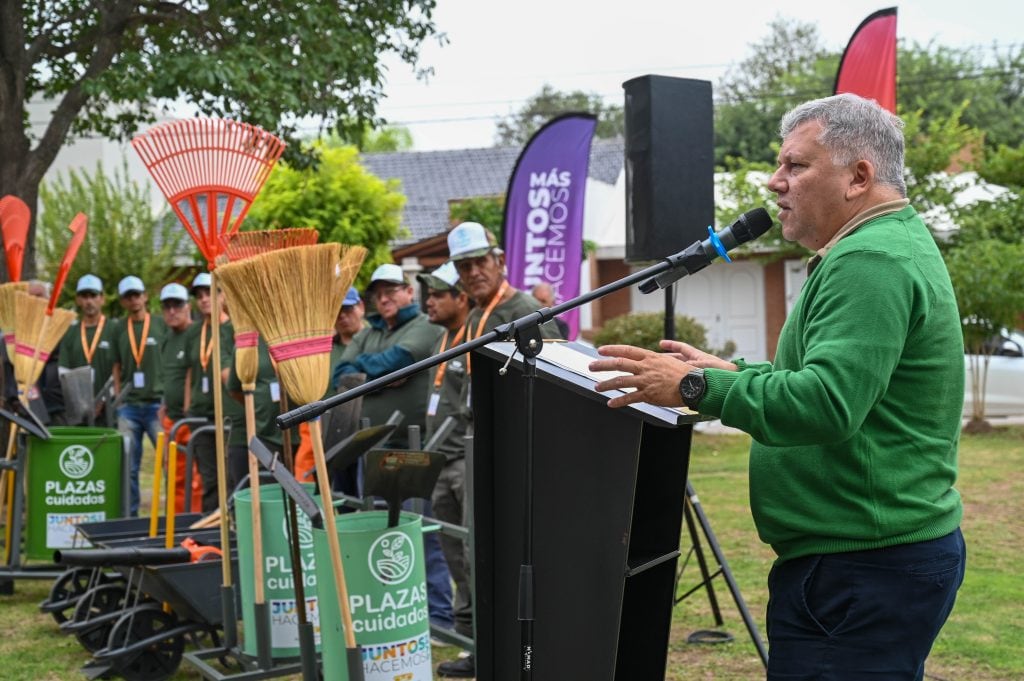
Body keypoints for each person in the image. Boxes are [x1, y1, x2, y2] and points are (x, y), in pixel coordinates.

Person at [589, 93, 966, 681]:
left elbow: (825, 405)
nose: (775, 181)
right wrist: (733, 377)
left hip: (862, 567)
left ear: (858, 177)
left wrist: (696, 388)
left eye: (795, 166)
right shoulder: (883, 246)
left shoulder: (871, 261)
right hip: (868, 562)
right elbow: (836, 386)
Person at [435, 222, 561, 678]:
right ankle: (481, 644)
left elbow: (560, 373)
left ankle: (509, 645)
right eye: (463, 267)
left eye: (479, 263)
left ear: (499, 261)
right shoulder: (472, 315)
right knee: (470, 551)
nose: (472, 273)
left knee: (498, 550)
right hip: (474, 445)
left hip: (513, 449)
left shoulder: (525, 308)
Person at [333, 263, 453, 633]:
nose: (383, 297)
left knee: (423, 534)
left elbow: (400, 361)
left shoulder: (425, 325)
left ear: (407, 292)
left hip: (413, 446)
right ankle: (389, 602)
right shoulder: (370, 332)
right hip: (371, 446)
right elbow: (342, 372)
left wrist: (368, 375)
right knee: (379, 531)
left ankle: (438, 613)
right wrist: (380, 377)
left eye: (391, 289)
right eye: (378, 292)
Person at [418, 261, 474, 653]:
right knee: (452, 554)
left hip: (463, 462)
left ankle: (485, 639)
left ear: (462, 297)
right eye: (429, 294)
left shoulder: (474, 335)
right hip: (439, 461)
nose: (430, 301)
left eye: (438, 294)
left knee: (472, 553)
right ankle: (468, 635)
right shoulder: (443, 337)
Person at [112, 275, 167, 516]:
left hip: (157, 403)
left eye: (137, 294)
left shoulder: (160, 324)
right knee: (129, 465)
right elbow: (115, 364)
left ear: (145, 296)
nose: (134, 300)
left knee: (168, 461)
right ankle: (130, 514)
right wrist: (117, 394)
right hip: (129, 406)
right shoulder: (118, 328)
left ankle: (173, 514)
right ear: (123, 301)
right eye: (128, 296)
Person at [184, 272, 235, 513]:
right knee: (209, 476)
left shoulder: (232, 329)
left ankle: (231, 522)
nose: (204, 299)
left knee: (231, 472)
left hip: (228, 413)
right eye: (199, 295)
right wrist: (187, 405)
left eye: (210, 293)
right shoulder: (193, 332)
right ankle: (211, 525)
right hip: (200, 413)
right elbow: (190, 370)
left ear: (223, 295)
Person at [157, 282, 203, 513]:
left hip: (192, 419)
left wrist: (188, 407)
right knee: (173, 475)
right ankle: (176, 525)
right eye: (167, 306)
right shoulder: (167, 338)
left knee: (195, 479)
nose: (172, 311)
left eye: (177, 305)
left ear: (188, 307)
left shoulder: (196, 334)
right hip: (171, 419)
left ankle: (194, 524)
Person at [58, 274, 119, 423]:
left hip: (109, 408)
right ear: (78, 300)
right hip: (79, 411)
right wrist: (80, 403)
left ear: (102, 299)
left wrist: (102, 400)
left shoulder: (115, 329)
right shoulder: (70, 332)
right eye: (84, 297)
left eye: (93, 296)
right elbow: (64, 371)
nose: (89, 301)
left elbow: (120, 368)